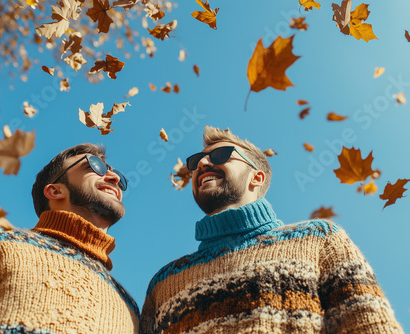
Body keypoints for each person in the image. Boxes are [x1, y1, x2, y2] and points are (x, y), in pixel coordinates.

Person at [140, 126, 402, 334]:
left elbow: (369, 324)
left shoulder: (320, 240)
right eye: (197, 160)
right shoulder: (162, 284)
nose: (203, 163)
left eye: (220, 155)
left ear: (257, 177)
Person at [0, 143, 139, 333]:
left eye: (119, 175)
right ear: (56, 191)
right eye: (96, 166)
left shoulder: (130, 306)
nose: (113, 178)